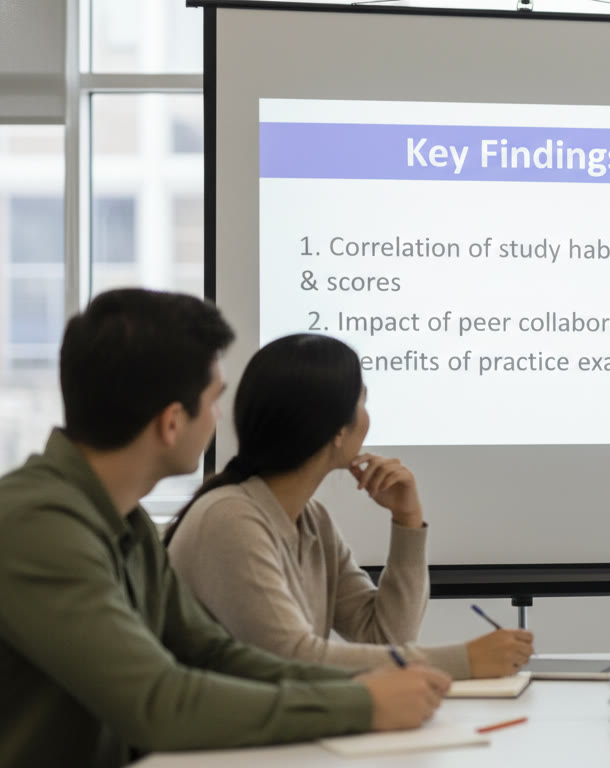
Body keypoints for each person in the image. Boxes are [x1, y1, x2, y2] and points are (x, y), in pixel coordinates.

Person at [0, 289, 451, 768]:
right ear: (172, 422)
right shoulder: (36, 524)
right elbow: (159, 701)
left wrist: (370, 686)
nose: (220, 418)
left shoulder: (122, 519)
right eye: (214, 400)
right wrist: (363, 704)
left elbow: (215, 653)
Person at [166, 333, 534, 679]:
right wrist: (463, 661)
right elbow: (292, 656)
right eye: (362, 401)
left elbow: (385, 638)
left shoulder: (311, 520)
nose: (368, 416)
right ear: (336, 430)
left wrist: (407, 521)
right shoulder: (230, 518)